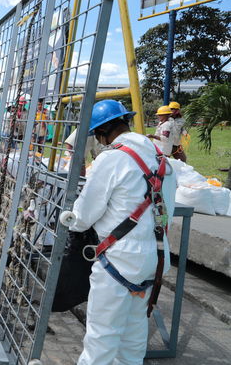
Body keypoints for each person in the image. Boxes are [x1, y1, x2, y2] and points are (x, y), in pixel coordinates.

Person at [69, 100, 176, 365]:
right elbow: (167, 214)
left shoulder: (112, 158)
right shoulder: (163, 161)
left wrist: (71, 221)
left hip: (117, 260)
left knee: (101, 338)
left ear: (102, 132)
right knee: (133, 335)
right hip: (154, 259)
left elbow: (83, 216)